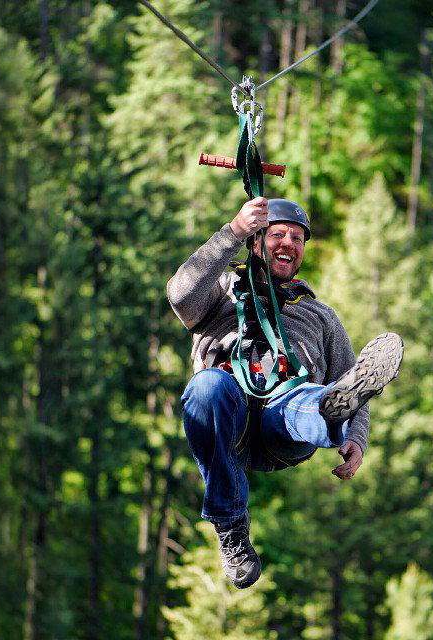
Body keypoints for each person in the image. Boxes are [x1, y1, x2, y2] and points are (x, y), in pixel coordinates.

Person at [167, 196, 403, 588]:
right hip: (230, 414)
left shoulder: (320, 316)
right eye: (277, 234)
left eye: (297, 238)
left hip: (286, 415)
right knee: (206, 388)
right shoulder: (221, 292)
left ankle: (330, 415)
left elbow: (349, 373)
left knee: (310, 400)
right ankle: (231, 528)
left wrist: (357, 438)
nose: (288, 243)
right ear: (256, 242)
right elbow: (180, 294)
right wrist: (232, 232)